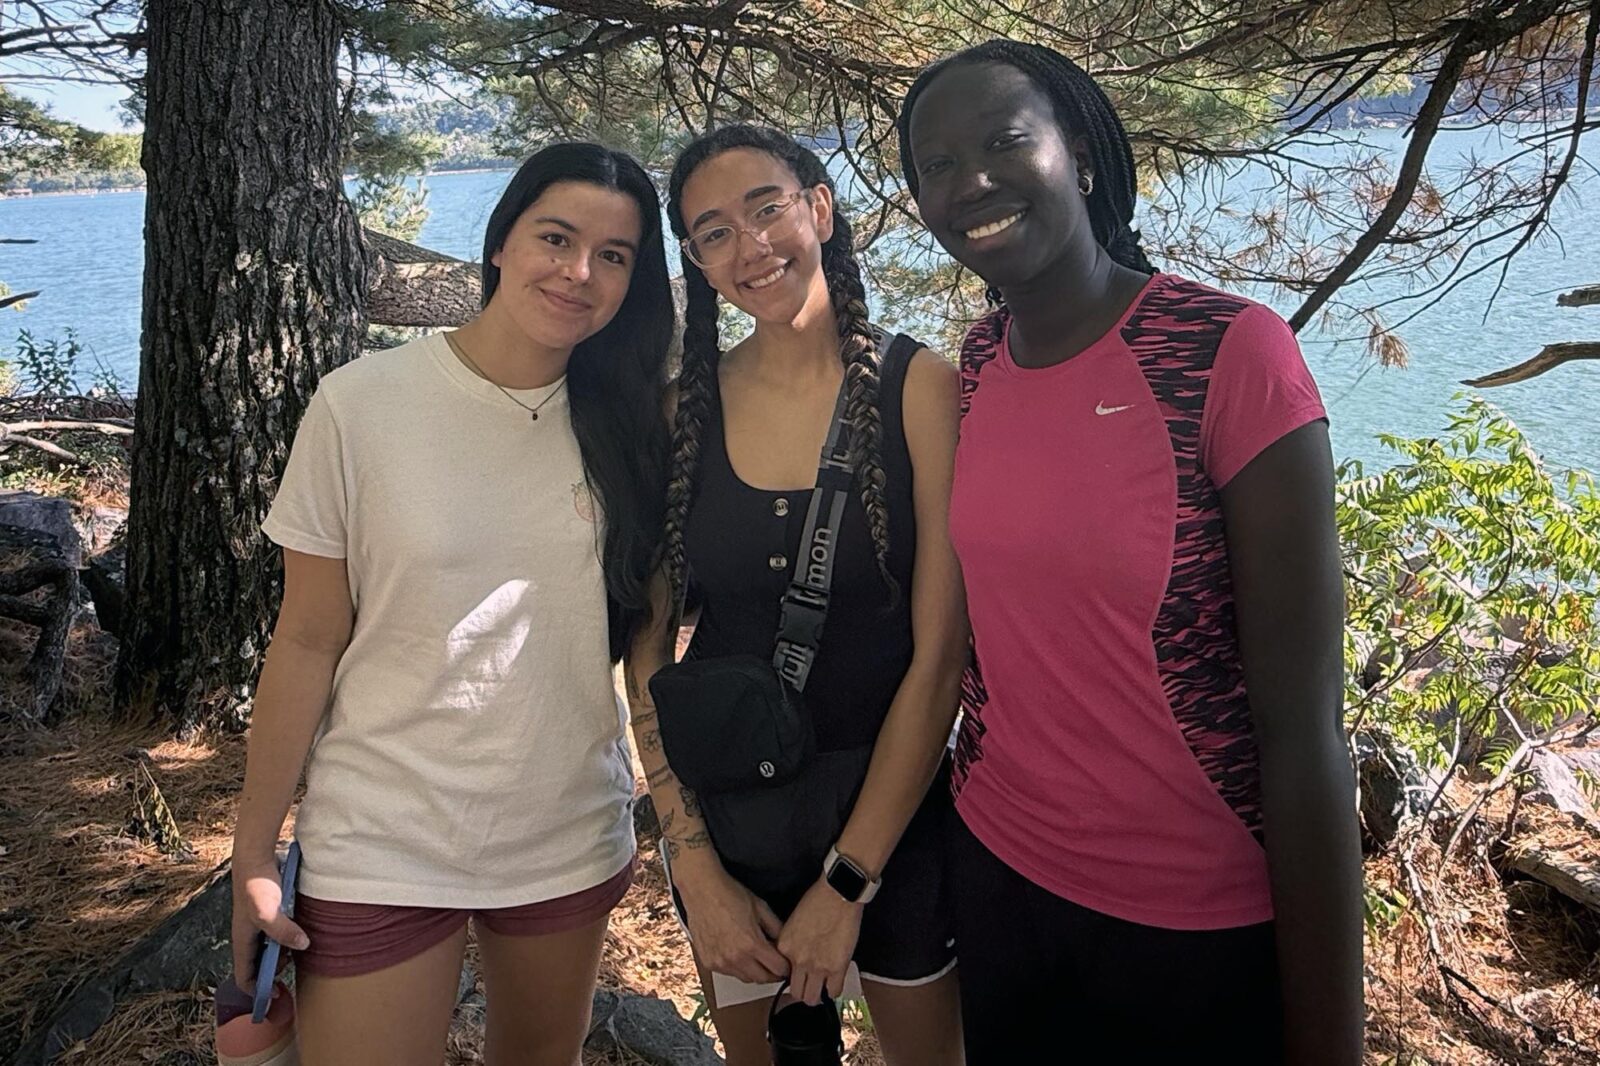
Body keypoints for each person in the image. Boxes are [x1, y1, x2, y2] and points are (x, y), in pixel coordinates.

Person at [896, 40, 1364, 1065]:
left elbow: (1306, 736)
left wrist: (1331, 1039)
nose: (969, 178)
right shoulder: (973, 368)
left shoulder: (1228, 353)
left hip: (1195, 922)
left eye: (1006, 140)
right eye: (934, 165)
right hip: (998, 875)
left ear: (1085, 156)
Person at [227, 142, 674, 1066]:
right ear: (502, 241)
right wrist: (255, 853)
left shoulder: (639, 428)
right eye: (556, 236)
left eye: (616, 255)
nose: (579, 271)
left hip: (564, 830)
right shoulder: (362, 402)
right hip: (381, 831)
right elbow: (309, 637)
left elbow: (648, 650)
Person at [622, 125, 967, 1066]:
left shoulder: (920, 389)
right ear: (693, 260)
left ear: (818, 207)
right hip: (733, 817)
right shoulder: (682, 410)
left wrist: (849, 884)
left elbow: (939, 663)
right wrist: (690, 859)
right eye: (712, 232)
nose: (749, 245)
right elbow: (648, 648)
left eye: (765, 208)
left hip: (898, 814)